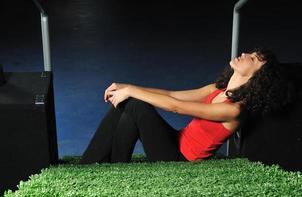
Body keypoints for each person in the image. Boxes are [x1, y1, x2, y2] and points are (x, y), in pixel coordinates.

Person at [79, 48, 284, 164]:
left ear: (258, 77)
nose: (246, 54)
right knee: (132, 103)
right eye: (252, 52)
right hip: (176, 141)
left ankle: (89, 164)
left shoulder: (234, 110)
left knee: (137, 105)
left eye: (254, 59)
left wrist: (131, 92)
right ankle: (112, 163)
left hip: (180, 159)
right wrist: (128, 86)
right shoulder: (217, 88)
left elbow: (176, 107)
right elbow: (172, 95)